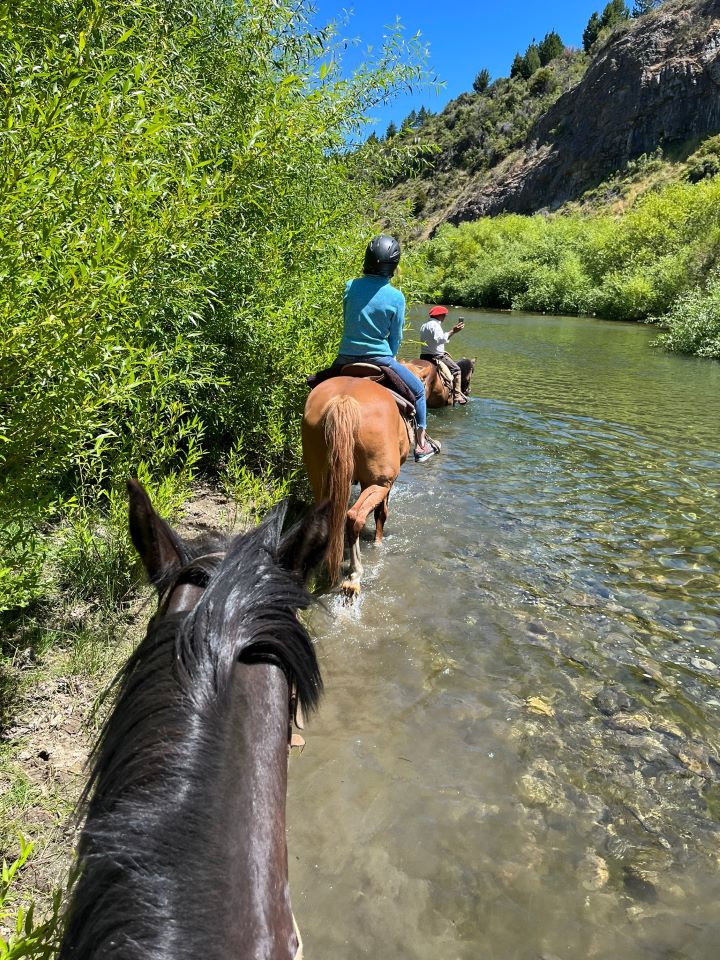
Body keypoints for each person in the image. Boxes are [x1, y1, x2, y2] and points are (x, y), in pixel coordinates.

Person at [333, 235, 439, 462]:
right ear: (393, 265)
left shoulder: (350, 286)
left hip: (344, 357)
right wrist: (389, 356)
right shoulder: (396, 297)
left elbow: (347, 318)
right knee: (419, 392)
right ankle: (421, 445)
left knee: (316, 385)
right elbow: (396, 335)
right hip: (380, 358)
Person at [420, 305, 467, 405]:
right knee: (457, 370)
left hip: (423, 356)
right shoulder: (436, 325)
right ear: (441, 315)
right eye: (445, 315)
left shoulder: (424, 325)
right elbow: (439, 340)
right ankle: (457, 395)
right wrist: (453, 331)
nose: (445, 317)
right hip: (436, 356)